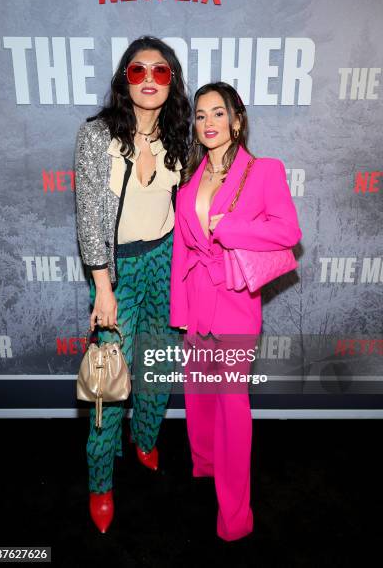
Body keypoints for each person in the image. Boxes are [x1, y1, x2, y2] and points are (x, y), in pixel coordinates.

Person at [170, 82, 302, 541]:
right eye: (201, 115)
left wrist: (235, 227)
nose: (208, 123)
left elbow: (288, 231)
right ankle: (205, 465)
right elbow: (182, 252)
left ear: (237, 120)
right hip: (197, 303)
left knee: (231, 404)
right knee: (198, 395)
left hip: (235, 302)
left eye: (218, 114)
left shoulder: (264, 171)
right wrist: (180, 311)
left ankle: (235, 516)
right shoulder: (189, 181)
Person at [75, 36, 191, 533]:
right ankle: (101, 485)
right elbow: (88, 218)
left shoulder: (179, 133)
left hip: (165, 261)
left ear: (172, 81)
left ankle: (145, 439)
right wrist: (102, 286)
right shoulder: (97, 136)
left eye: (160, 72)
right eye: (138, 70)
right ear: (125, 78)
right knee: (107, 383)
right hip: (116, 271)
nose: (149, 80)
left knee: (158, 362)